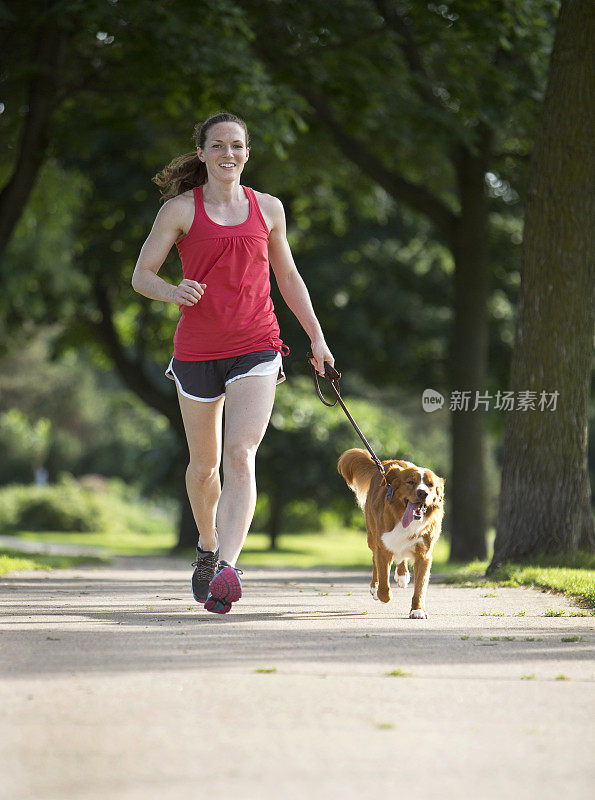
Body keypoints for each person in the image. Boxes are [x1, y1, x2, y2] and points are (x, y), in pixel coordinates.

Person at [132, 111, 334, 614]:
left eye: (237, 146)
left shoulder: (268, 209)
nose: (228, 154)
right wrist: (174, 291)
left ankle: (226, 566)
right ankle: (206, 546)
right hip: (197, 350)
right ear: (201, 153)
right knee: (205, 467)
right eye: (217, 146)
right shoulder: (180, 210)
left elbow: (287, 276)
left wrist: (316, 336)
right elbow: (141, 275)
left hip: (257, 343)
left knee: (241, 453)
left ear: (248, 153)